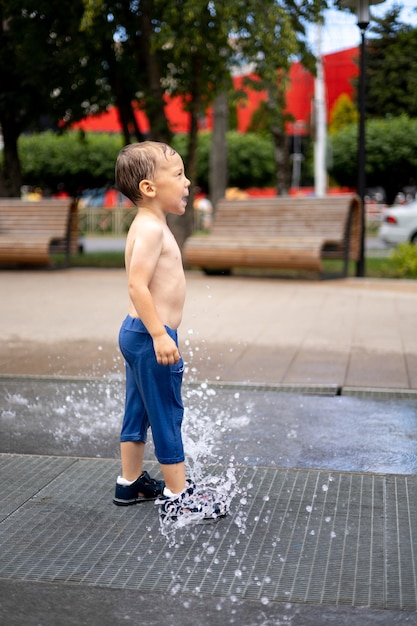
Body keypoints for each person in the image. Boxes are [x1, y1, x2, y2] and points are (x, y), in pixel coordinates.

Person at [113, 141, 227, 522]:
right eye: (178, 175)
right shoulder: (150, 230)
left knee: (138, 410)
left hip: (137, 334)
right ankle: (178, 495)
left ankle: (129, 483)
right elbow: (137, 286)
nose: (187, 181)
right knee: (166, 412)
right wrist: (161, 335)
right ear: (149, 188)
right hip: (150, 336)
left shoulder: (148, 225)